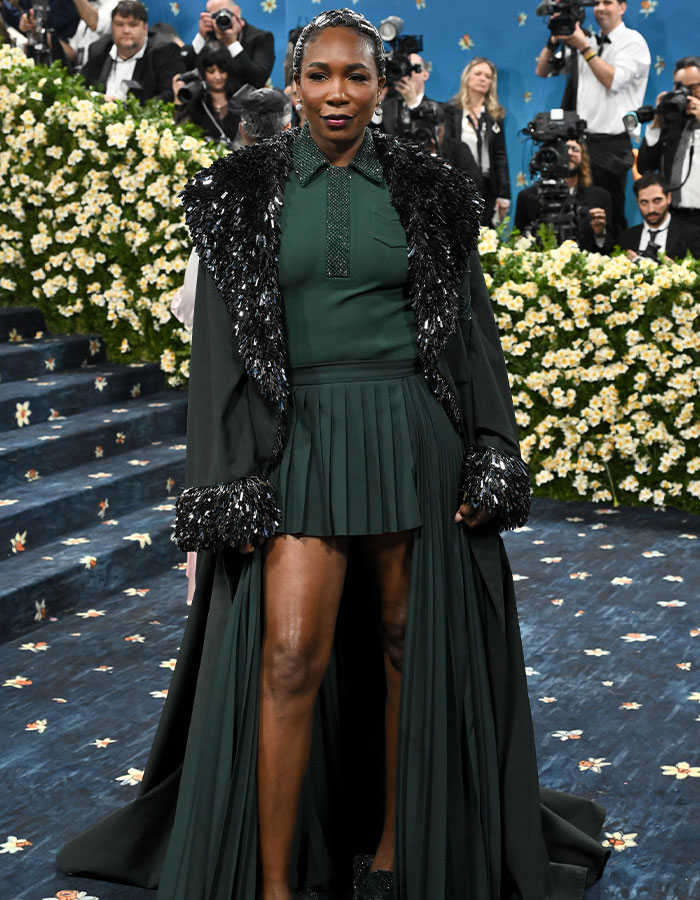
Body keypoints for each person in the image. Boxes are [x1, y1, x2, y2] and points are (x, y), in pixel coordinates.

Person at [57, 10, 610, 900]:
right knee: (288, 654)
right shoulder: (239, 191)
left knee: (404, 642)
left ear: (383, 82)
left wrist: (493, 449)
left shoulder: (432, 189)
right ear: (298, 81)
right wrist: (224, 482)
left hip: (411, 433)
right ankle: (275, 884)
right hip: (298, 440)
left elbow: (470, 332)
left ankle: (392, 857)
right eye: (320, 75)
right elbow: (218, 354)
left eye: (356, 76)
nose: (338, 93)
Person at [535, 0, 650, 235]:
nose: (600, 8)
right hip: (580, 144)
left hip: (611, 145)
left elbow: (612, 80)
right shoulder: (585, 39)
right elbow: (542, 70)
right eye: (596, 3)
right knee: (575, 215)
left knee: (608, 216)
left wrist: (585, 48)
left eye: (607, 2)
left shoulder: (633, 42)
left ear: (623, 7)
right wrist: (554, 37)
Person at [515, 137, 615, 251]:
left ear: (583, 157)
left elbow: (609, 248)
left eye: (575, 149)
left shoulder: (600, 197)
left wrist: (599, 234)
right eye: (563, 149)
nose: (569, 154)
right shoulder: (528, 197)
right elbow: (519, 241)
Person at [444, 57, 511, 226]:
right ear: (467, 77)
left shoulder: (495, 115)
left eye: (488, 77)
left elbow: (500, 156)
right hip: (457, 184)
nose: (483, 79)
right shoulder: (450, 112)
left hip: (487, 186)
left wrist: (504, 194)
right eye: (478, 74)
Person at [637, 55, 700, 230]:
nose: (685, 93)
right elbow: (645, 167)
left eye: (693, 88)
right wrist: (657, 124)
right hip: (674, 219)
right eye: (679, 87)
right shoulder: (671, 123)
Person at [81, 0, 185, 102]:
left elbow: (169, 96)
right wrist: (98, 98)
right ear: (111, 27)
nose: (126, 31)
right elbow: (79, 88)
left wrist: (130, 111)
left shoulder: (163, 52)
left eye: (133, 25)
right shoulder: (99, 49)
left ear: (145, 27)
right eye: (119, 24)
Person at [186, 0, 274, 91]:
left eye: (225, 13)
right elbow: (186, 71)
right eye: (214, 16)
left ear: (237, 11)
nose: (221, 18)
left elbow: (258, 80)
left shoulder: (261, 38)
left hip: (247, 101)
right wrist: (201, 37)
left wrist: (232, 43)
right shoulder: (209, 36)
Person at [173, 40, 241, 146]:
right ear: (203, 73)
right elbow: (178, 133)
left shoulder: (240, 99)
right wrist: (178, 101)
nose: (217, 77)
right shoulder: (195, 102)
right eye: (211, 71)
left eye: (222, 71)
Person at [618, 172, 700, 260]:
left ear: (668, 198)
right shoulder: (626, 238)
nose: (651, 209)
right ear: (637, 202)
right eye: (644, 202)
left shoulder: (692, 235)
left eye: (657, 201)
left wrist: (675, 269)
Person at [377, 51, 431, 137]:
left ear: (425, 75)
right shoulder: (385, 107)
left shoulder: (434, 109)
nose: (406, 74)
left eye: (411, 68)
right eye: (403, 68)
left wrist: (413, 105)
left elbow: (427, 143)